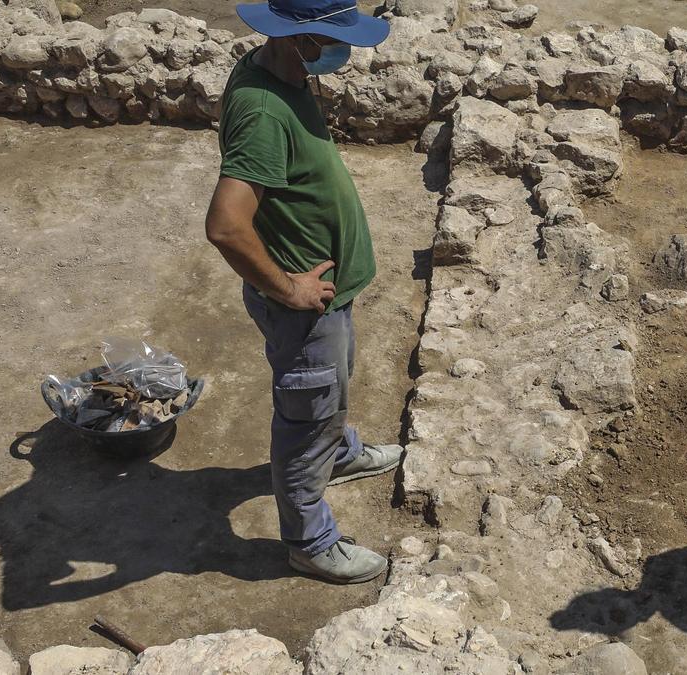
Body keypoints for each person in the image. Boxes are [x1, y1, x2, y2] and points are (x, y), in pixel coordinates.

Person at [204, 0, 402, 584]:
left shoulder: (277, 69)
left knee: (326, 397)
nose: (343, 51)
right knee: (304, 420)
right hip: (304, 308)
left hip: (323, 298)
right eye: (331, 38)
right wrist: (289, 288)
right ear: (300, 40)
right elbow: (225, 224)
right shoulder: (264, 111)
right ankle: (310, 542)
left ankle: (339, 453)